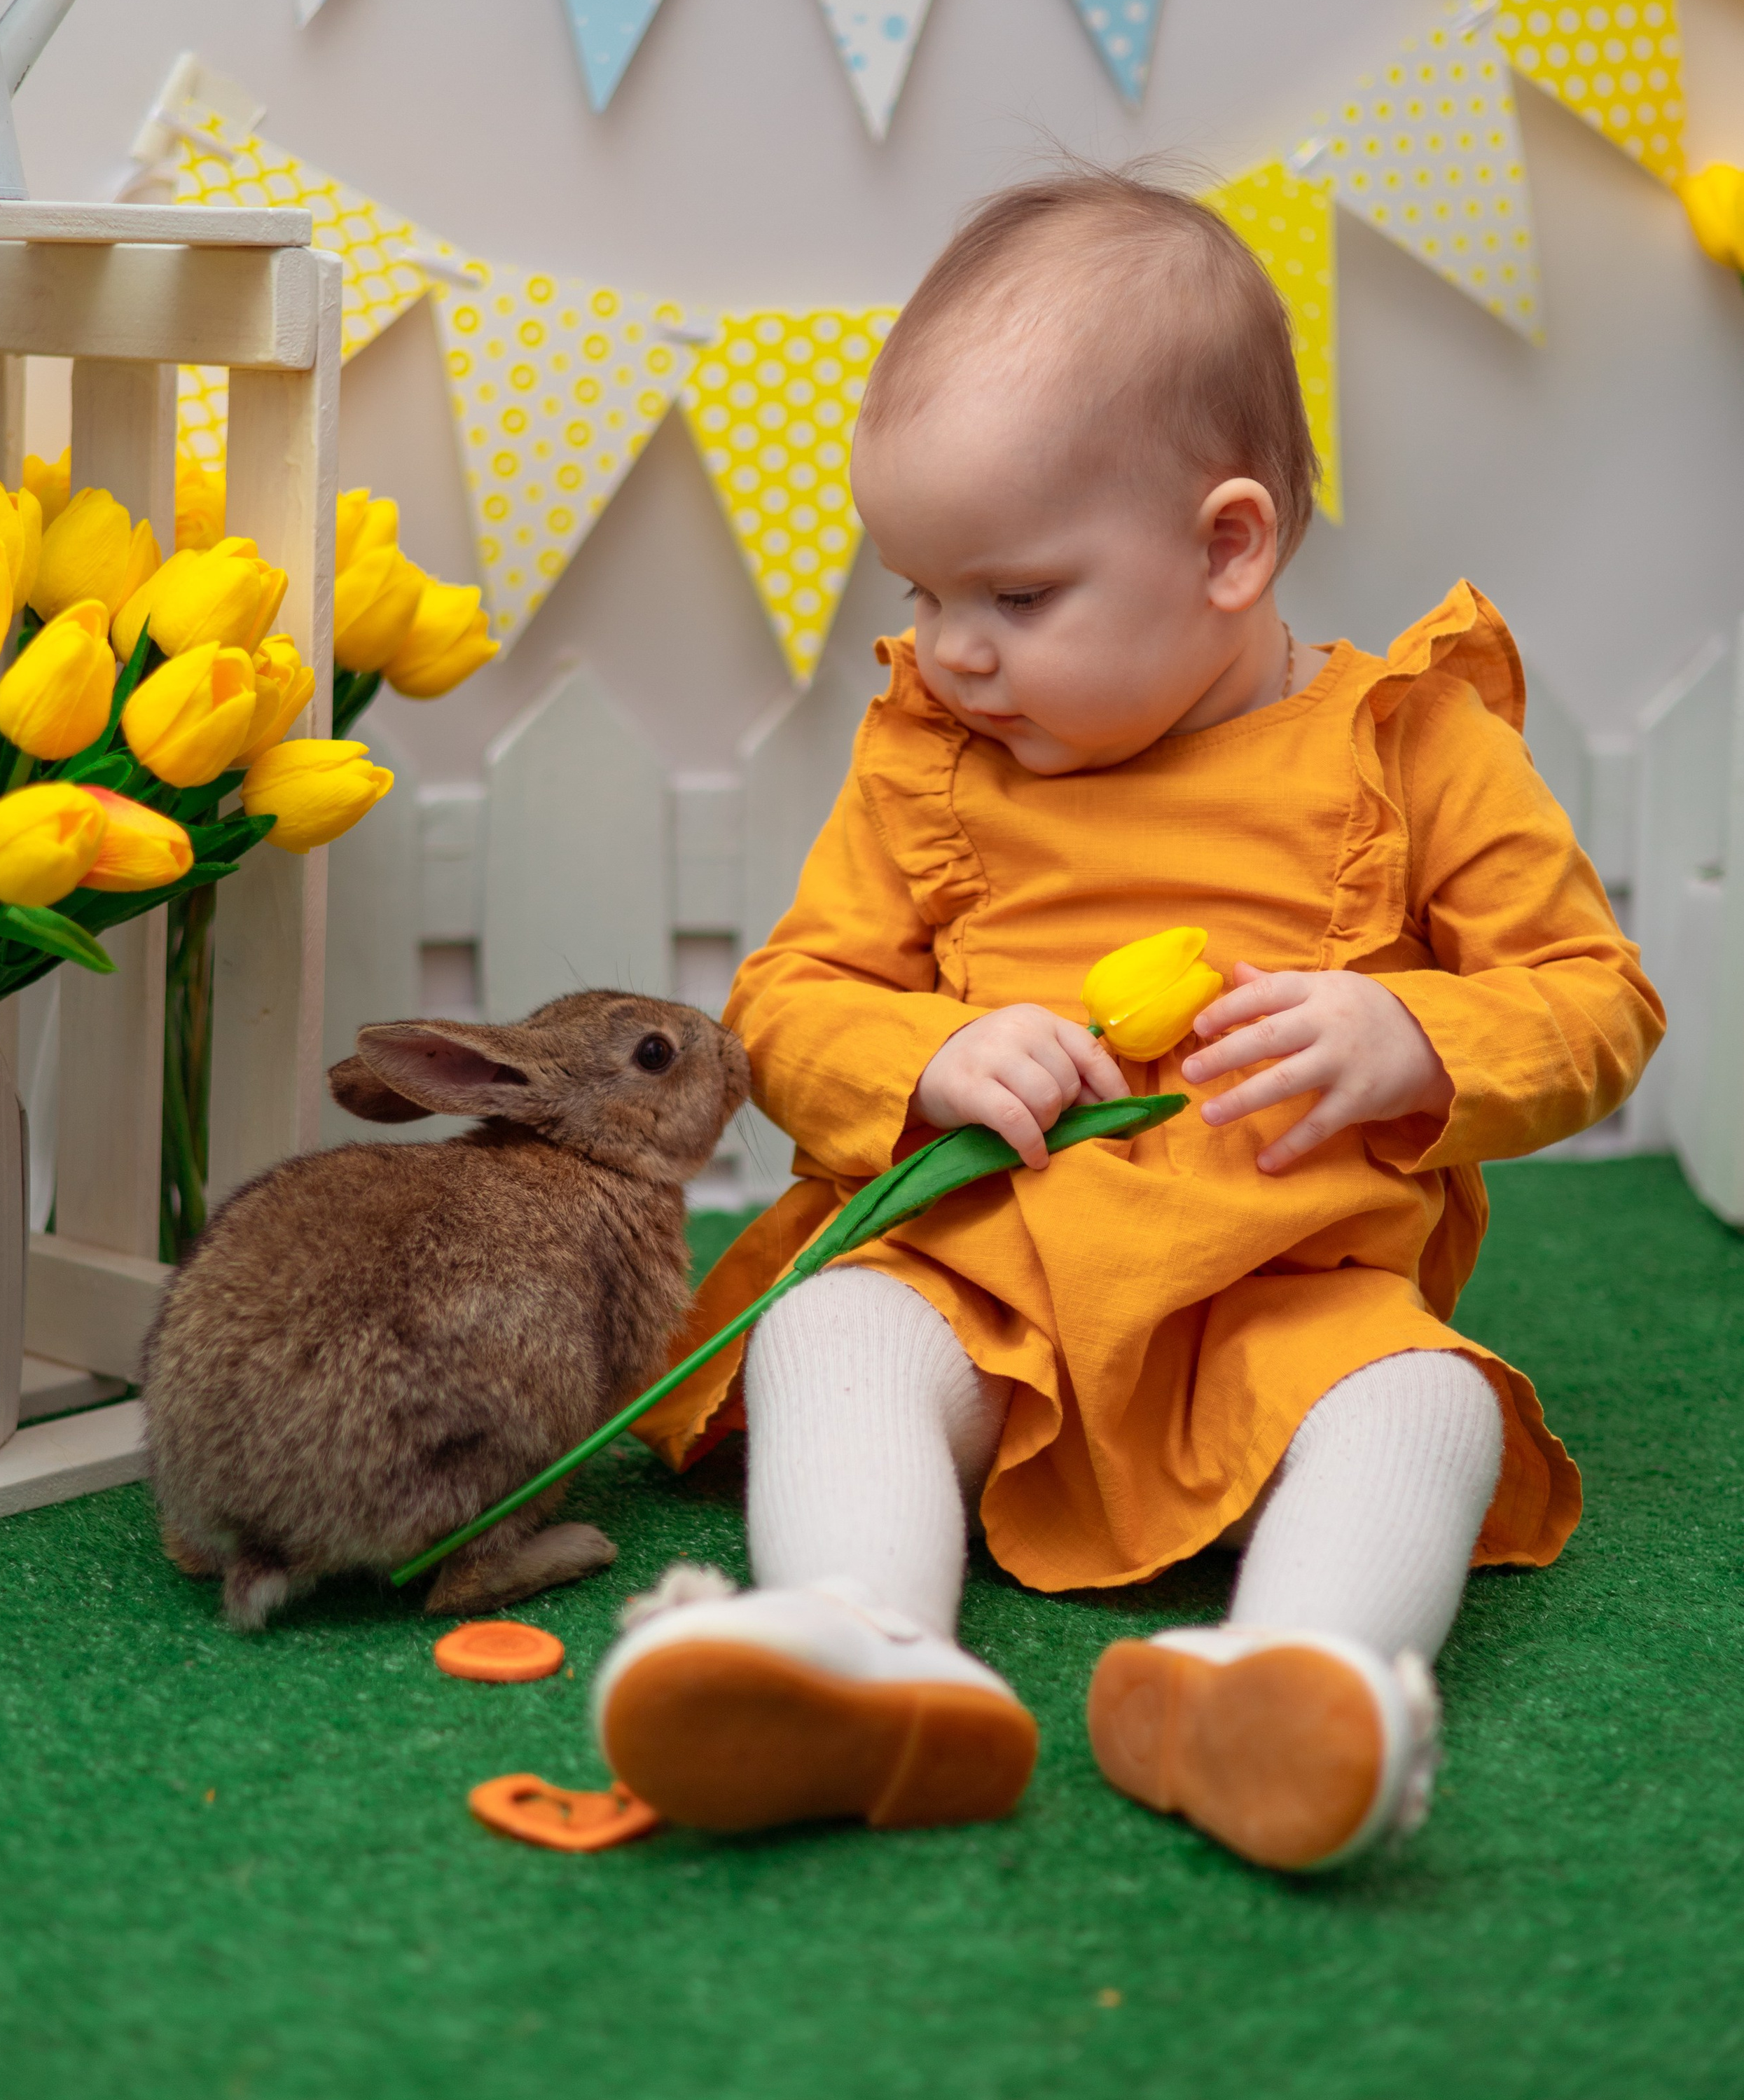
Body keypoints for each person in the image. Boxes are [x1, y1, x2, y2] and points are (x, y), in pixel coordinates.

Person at [592, 168, 1663, 1872]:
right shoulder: (927, 757)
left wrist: (1413, 1043)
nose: (951, 651)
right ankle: (860, 1645)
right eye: (924, 591)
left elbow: (1593, 1004)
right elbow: (782, 1004)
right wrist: (920, 1058)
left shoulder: (1409, 745)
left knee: (1425, 1409)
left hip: (1273, 1302)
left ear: (1226, 546)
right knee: (830, 1333)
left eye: (1014, 598)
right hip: (981, 1279)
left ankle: (1284, 1676)